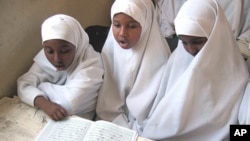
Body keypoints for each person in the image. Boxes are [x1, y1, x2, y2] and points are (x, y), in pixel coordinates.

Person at [140, 0, 249, 140]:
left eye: (197, 42)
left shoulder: (238, 76)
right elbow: (161, 111)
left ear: (215, 35)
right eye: (184, 42)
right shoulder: (177, 60)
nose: (190, 50)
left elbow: (242, 130)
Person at [95, 0, 171, 129]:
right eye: (117, 25)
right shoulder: (110, 49)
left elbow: (153, 112)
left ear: (146, 24)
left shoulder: (159, 59)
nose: (122, 33)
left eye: (131, 26)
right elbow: (105, 102)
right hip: (108, 125)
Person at [17, 14, 104, 121]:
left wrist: (41, 86)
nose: (56, 58)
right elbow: (23, 85)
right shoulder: (46, 55)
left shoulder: (92, 64)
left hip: (79, 122)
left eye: (64, 51)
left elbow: (68, 105)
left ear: (77, 44)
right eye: (49, 51)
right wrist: (44, 103)